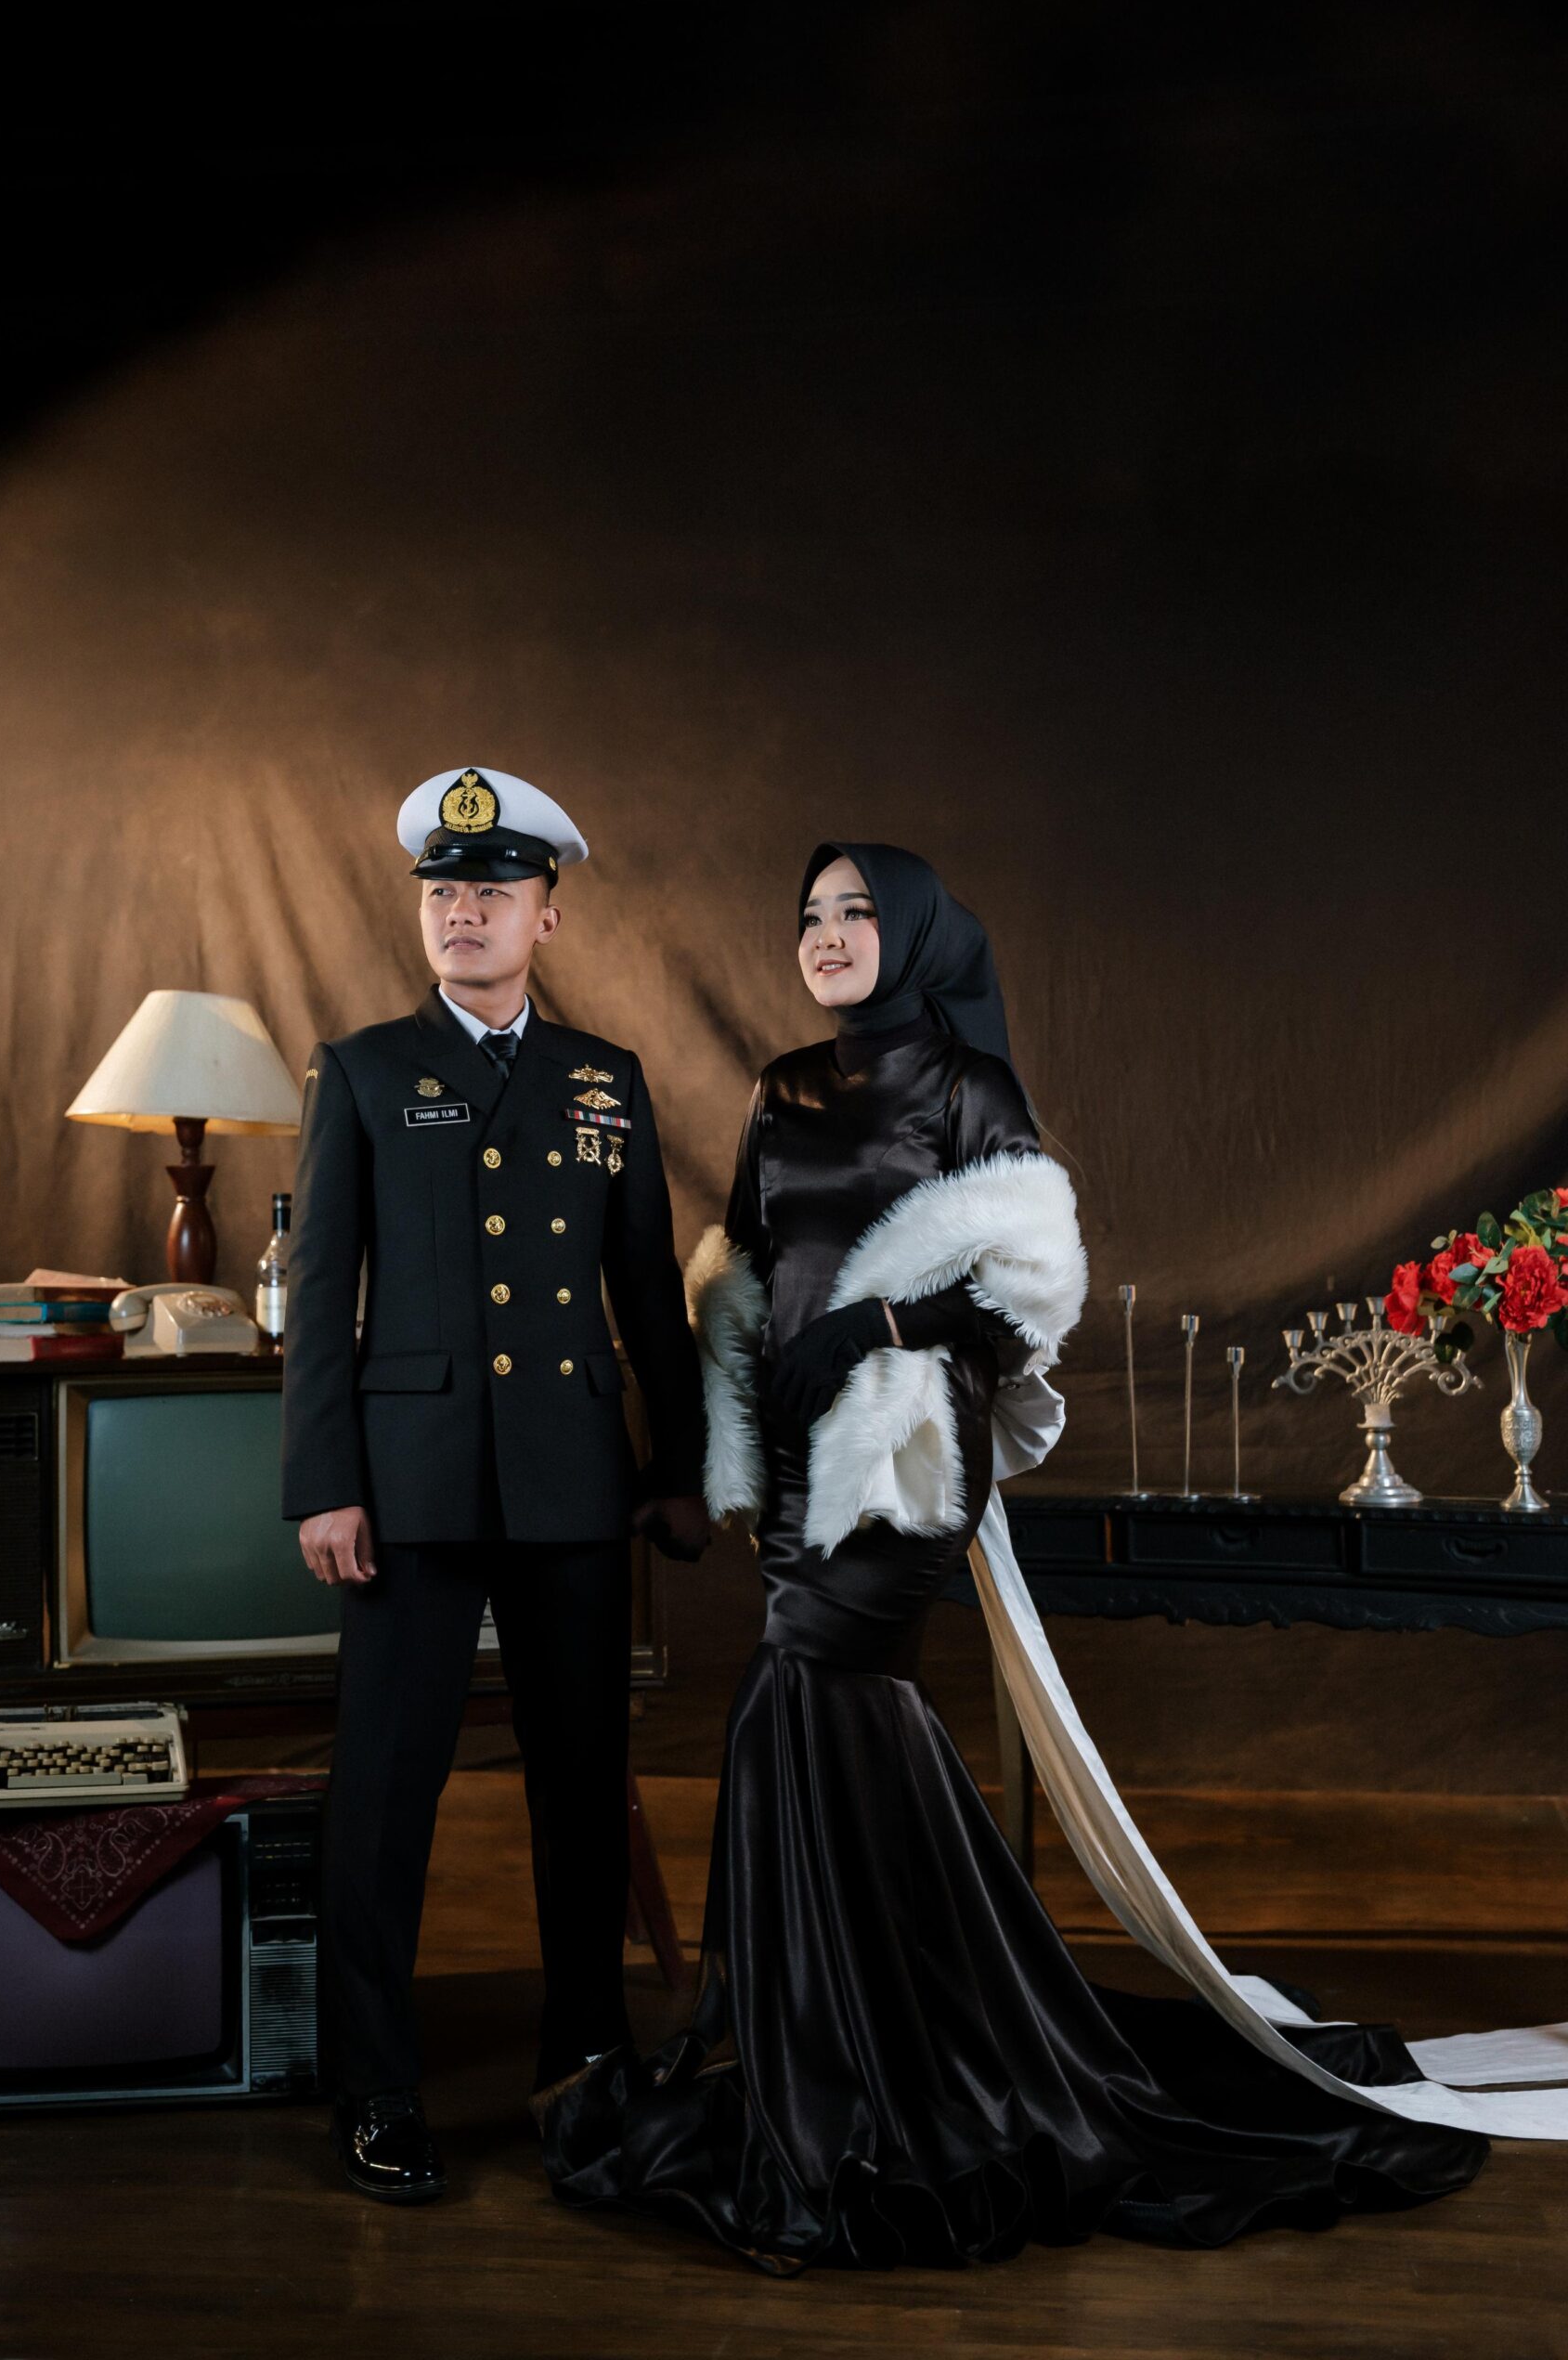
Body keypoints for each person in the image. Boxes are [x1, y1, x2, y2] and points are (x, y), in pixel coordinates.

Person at [538, 840, 1487, 2273]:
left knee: (809, 1694)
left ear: (915, 935)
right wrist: (723, 1418)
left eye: (858, 912)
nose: (828, 934)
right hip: (795, 1459)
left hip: (908, 1454)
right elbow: (742, 1258)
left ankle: (864, 2048)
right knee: (805, 1713)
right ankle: (863, 2028)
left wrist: (876, 1328)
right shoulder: (781, 1088)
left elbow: (1022, 1306)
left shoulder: (969, 1089)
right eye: (811, 916)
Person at [282, 765, 709, 2204]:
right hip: (408, 1487)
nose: (462, 912)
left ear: (547, 915)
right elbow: (321, 1297)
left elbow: (648, 1290)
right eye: (444, 892)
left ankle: (584, 2058)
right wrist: (323, 1483)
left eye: (492, 891)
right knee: (384, 1792)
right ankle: (375, 2085)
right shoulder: (361, 1071)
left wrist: (679, 1468)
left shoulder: (605, 1079)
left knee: (583, 1786)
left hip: (572, 1482)